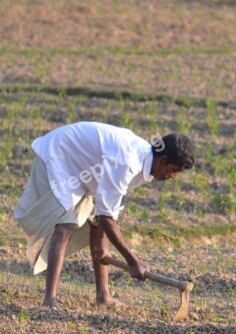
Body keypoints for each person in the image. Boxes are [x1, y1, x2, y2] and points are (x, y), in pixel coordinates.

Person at [14, 121, 194, 309]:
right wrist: (132, 261)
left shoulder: (143, 161)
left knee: (97, 226)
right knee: (65, 225)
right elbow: (107, 218)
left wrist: (101, 240)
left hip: (83, 169)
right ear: (162, 160)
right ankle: (49, 300)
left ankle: (103, 296)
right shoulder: (128, 162)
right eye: (174, 170)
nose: (173, 176)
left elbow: (105, 212)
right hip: (60, 155)